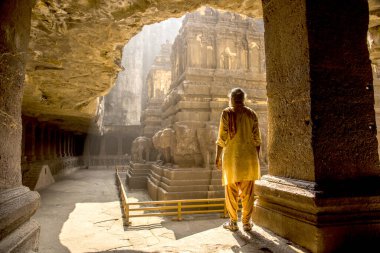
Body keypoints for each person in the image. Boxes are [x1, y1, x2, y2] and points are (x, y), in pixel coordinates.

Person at [215, 87, 261, 232]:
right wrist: (256, 159)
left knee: (231, 192)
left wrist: (217, 157)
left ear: (231, 99)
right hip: (249, 160)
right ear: (243, 99)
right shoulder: (251, 114)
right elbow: (257, 140)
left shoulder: (227, 113)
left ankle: (233, 222)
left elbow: (221, 139)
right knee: (248, 194)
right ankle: (246, 223)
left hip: (231, 160)